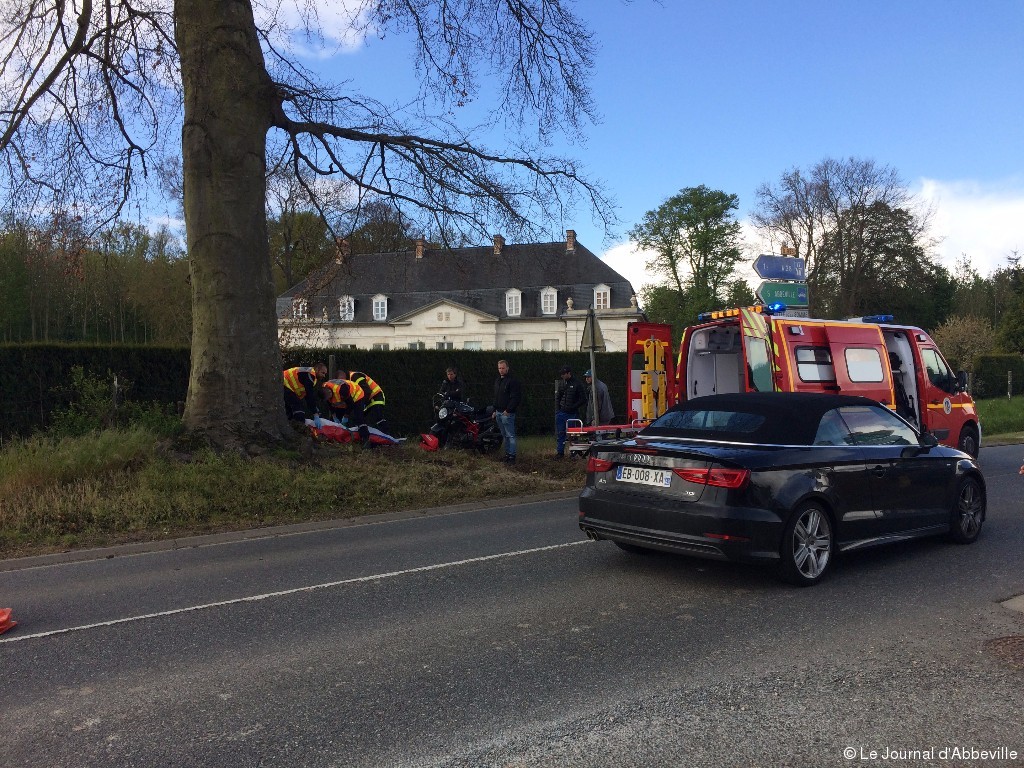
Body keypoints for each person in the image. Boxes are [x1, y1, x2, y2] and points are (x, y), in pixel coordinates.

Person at [320, 378, 372, 447]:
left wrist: (345, 417)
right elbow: (330, 405)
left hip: (357, 395)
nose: (328, 399)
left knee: (359, 417)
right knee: (334, 419)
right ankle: (335, 439)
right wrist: (334, 416)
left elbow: (350, 404)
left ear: (330, 392)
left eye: (328, 398)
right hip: (344, 399)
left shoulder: (342, 390)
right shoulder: (325, 391)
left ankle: (366, 438)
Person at [554, 364, 587, 458]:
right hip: (562, 412)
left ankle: (574, 452)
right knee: (560, 433)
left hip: (572, 413)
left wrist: (573, 407)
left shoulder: (577, 384)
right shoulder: (563, 383)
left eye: (564, 374)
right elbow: (559, 396)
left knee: (573, 434)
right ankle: (560, 452)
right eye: (561, 374)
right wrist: (559, 409)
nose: (562, 376)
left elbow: (583, 399)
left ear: (569, 373)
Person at [493, 359, 522, 464]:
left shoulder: (512, 381)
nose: (501, 370)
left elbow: (515, 398)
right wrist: (495, 410)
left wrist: (508, 410)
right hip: (498, 412)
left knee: (510, 435)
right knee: (504, 435)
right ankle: (507, 455)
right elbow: (496, 397)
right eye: (499, 368)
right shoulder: (498, 381)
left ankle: (512, 456)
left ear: (507, 368)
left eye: (503, 368)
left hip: (507, 413)